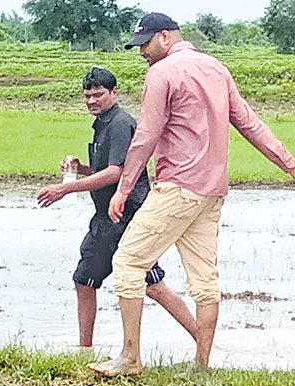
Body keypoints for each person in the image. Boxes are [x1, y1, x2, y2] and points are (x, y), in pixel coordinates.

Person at [87, 13, 295, 377]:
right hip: (212, 192)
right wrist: (291, 164)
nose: (141, 52)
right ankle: (201, 366)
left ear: (165, 37)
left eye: (145, 44)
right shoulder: (216, 68)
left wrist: (124, 189)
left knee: (128, 264)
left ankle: (130, 358)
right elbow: (250, 124)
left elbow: (145, 135)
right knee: (204, 281)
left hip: (177, 187)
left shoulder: (161, 74)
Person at [37, 68, 198, 349]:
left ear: (114, 93)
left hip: (123, 216)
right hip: (112, 216)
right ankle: (85, 350)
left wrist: (64, 188)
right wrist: (80, 169)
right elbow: (105, 169)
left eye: (98, 94)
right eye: (87, 96)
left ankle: (203, 340)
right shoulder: (103, 123)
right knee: (93, 281)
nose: (91, 101)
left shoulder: (121, 123)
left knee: (143, 285)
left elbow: (117, 172)